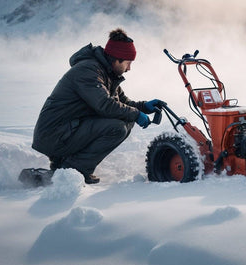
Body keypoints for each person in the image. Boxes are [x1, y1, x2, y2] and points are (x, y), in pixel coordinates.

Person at [32, 28, 162, 184]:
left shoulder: (106, 73)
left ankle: (65, 164)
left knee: (126, 120)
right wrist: (135, 114)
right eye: (128, 63)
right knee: (117, 127)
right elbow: (104, 104)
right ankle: (72, 171)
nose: (129, 68)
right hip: (54, 134)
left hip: (68, 130)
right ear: (117, 59)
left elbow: (122, 102)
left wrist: (144, 107)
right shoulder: (88, 71)